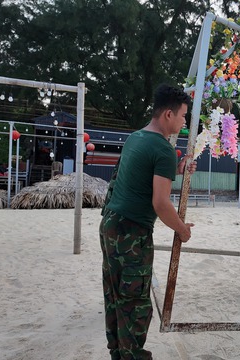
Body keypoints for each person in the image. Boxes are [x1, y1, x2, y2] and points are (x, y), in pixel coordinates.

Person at [99, 84, 196, 360]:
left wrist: (174, 169)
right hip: (132, 231)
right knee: (135, 303)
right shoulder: (164, 150)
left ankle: (117, 354)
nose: (184, 122)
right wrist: (181, 229)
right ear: (168, 114)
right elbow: (161, 203)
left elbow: (131, 176)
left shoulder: (136, 137)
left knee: (115, 296)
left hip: (110, 224)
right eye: (183, 116)